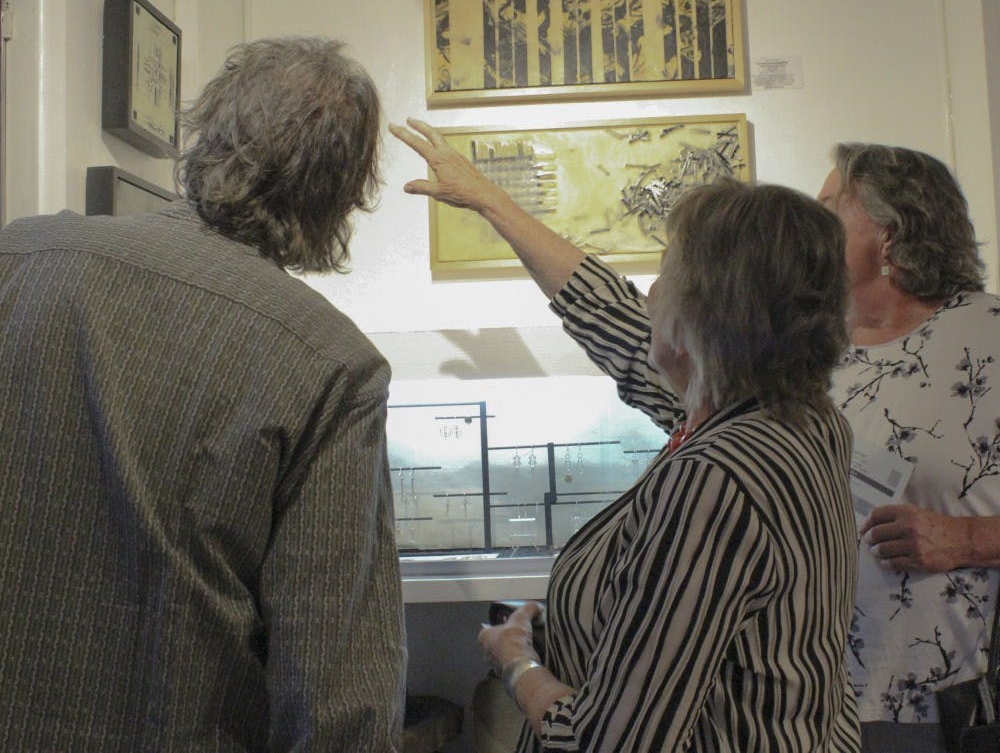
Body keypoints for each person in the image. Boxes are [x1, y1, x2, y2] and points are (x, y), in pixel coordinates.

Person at [391, 118, 860, 752]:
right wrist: (491, 201)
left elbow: (612, 742)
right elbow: (610, 317)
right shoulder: (799, 418)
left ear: (700, 319)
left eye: (666, 273)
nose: (649, 294)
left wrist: (516, 660)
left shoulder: (712, 481)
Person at [0, 37, 406, 751]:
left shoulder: (19, 258)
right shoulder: (333, 365)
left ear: (207, 131)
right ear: (341, 195)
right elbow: (339, 699)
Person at [818, 143, 1000, 753]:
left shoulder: (989, 338)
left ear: (889, 233)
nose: (809, 228)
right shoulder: (808, 349)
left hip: (950, 706)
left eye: (829, 208)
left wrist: (967, 539)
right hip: (806, 701)